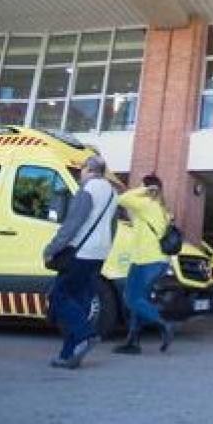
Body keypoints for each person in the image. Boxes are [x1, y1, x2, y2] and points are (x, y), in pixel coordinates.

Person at [42, 155, 121, 369]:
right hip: (99, 254)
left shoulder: (88, 189)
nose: (80, 174)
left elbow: (73, 223)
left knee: (58, 296)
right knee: (80, 302)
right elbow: (113, 227)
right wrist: (105, 248)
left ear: (89, 169)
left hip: (80, 253)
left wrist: (52, 249)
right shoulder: (113, 193)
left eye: (81, 169)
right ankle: (68, 354)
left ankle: (86, 334)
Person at [113, 174, 176, 355]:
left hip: (147, 261)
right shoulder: (161, 208)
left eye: (141, 185)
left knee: (131, 298)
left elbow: (121, 199)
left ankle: (164, 324)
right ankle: (133, 342)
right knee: (139, 300)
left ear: (148, 188)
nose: (138, 188)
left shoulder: (146, 204)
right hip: (150, 260)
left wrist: (144, 190)